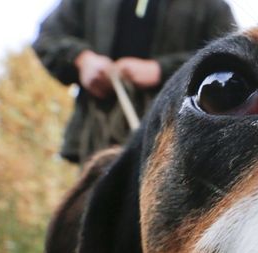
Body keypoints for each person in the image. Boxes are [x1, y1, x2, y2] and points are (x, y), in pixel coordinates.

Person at [33, 0, 238, 164]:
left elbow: (231, 59)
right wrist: (81, 59)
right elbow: (48, 37)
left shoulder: (211, 5)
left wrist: (160, 70)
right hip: (98, 142)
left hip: (179, 145)